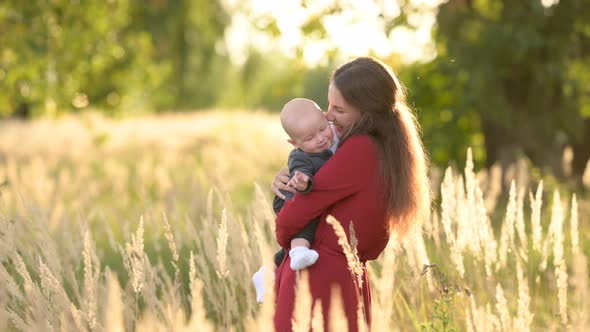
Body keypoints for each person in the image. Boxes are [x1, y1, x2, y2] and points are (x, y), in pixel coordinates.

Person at [271, 57, 430, 331]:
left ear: (365, 113)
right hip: (342, 278)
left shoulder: (359, 149)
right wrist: (287, 178)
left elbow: (289, 220)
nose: (328, 116)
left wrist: (287, 221)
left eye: (339, 110)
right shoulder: (384, 148)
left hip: (319, 280)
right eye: (328, 105)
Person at [252, 97, 338, 303]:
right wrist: (302, 182)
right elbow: (302, 172)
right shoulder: (299, 157)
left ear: (326, 118)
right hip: (293, 194)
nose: (320, 139)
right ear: (294, 143)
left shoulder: (334, 133)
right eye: (309, 138)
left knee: (290, 245)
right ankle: (300, 250)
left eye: (322, 129)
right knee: (308, 216)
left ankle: (266, 272)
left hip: (303, 194)